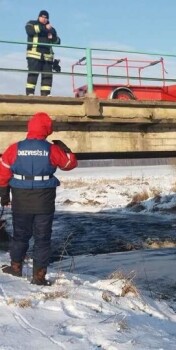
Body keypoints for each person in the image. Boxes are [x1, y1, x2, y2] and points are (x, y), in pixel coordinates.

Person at [0, 112, 78, 285]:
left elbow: (3, 171)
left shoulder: (15, 148)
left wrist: (4, 194)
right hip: (44, 200)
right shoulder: (52, 149)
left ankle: (15, 267)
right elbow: (69, 164)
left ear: (30, 127)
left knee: (20, 235)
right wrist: (66, 149)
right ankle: (39, 276)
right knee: (42, 238)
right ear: (47, 129)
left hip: (21, 199)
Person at [25, 10, 60, 96]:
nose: (44, 19)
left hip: (47, 57)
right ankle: (30, 93)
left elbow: (58, 41)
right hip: (34, 55)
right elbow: (30, 31)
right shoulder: (31, 23)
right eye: (42, 17)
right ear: (39, 17)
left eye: (46, 17)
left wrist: (53, 38)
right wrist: (44, 28)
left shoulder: (51, 29)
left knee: (47, 76)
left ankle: (46, 94)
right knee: (33, 74)